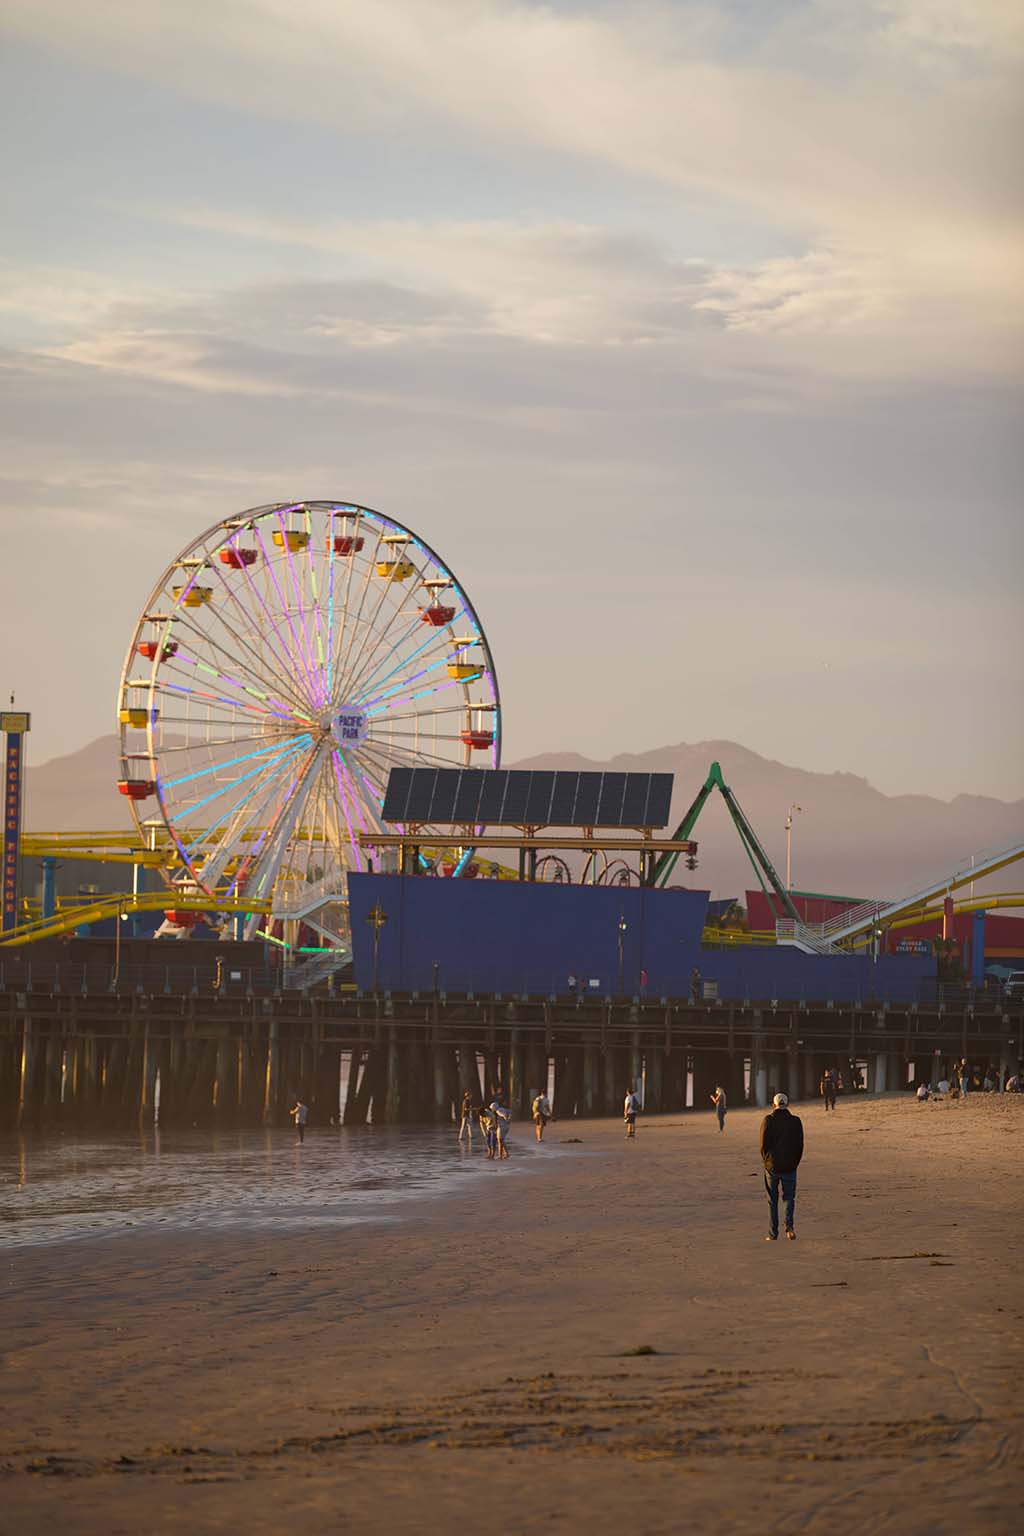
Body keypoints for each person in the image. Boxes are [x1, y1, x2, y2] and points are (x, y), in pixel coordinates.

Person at [760, 1092, 804, 1242]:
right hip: (790, 1165)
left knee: (772, 1200)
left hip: (772, 1166)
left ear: (774, 1105)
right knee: (789, 1198)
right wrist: (795, 1162)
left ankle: (773, 1234)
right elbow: (800, 1145)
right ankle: (789, 1228)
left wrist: (767, 1161)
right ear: (787, 1104)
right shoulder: (796, 1121)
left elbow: (763, 1145)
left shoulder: (768, 1120)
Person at [491, 1095, 511, 1159]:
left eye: (492, 1109)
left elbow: (503, 1115)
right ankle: (506, 1153)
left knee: (500, 1141)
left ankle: (500, 1155)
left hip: (502, 1127)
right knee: (501, 1140)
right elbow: (509, 1112)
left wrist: (506, 1119)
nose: (492, 1110)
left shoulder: (498, 1111)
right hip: (505, 1126)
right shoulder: (502, 1108)